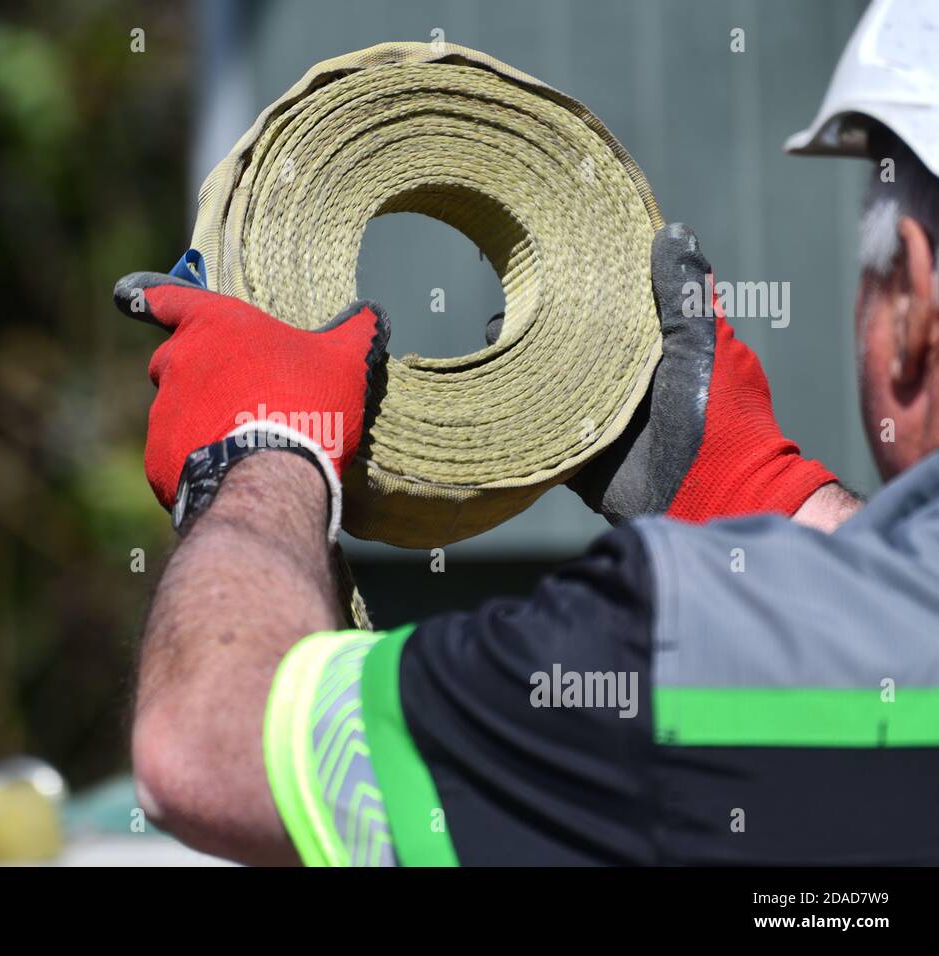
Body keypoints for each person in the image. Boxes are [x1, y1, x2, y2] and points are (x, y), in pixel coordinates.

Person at [116, 0, 939, 865]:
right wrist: (761, 501)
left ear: (913, 302)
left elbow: (209, 748)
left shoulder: (672, 647)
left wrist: (254, 456)